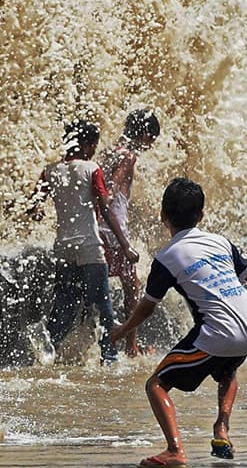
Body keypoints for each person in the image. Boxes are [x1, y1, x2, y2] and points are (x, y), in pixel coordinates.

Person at [111, 177, 247, 467]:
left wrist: (123, 329)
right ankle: (222, 427)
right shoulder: (220, 242)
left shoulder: (167, 258)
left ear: (163, 215)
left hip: (217, 334)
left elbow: (146, 309)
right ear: (201, 215)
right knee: (227, 369)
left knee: (156, 384)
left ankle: (175, 451)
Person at [28, 120, 117, 364]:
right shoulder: (91, 168)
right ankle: (110, 357)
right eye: (94, 145)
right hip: (90, 247)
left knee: (65, 304)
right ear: (87, 145)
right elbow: (105, 208)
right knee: (103, 305)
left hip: (64, 247)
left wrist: (37, 213)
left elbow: (33, 205)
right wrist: (124, 244)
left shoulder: (50, 171)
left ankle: (47, 352)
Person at [98, 109, 160, 357]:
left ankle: (106, 344)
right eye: (153, 139)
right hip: (114, 230)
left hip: (100, 228)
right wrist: (124, 242)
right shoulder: (128, 156)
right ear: (146, 135)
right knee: (131, 287)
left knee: (101, 287)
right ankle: (130, 346)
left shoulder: (109, 151)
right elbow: (110, 192)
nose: (152, 145)